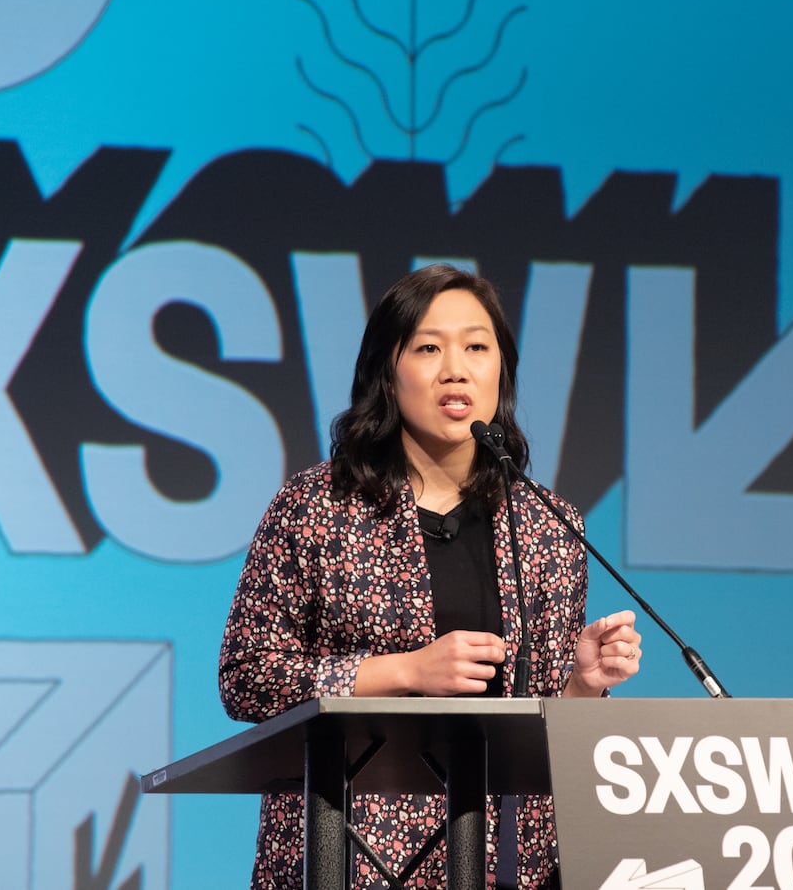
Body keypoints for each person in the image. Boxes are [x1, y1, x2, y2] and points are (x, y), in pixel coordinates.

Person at [219, 263, 643, 889]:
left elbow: (536, 743)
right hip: (349, 857)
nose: (456, 370)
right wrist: (407, 671)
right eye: (427, 348)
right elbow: (248, 677)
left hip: (506, 864)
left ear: (501, 371)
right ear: (386, 372)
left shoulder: (547, 526)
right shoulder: (316, 508)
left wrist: (581, 687)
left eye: (476, 347)